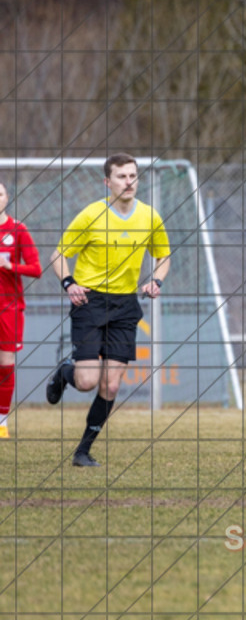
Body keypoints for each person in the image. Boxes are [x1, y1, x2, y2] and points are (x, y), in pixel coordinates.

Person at [46, 153, 171, 467]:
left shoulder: (150, 216)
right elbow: (58, 255)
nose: (129, 182)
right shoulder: (91, 215)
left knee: (112, 384)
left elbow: (164, 256)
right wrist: (69, 283)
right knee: (87, 381)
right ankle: (65, 372)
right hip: (89, 302)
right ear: (107, 182)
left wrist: (156, 280)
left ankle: (82, 452)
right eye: (121, 176)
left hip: (125, 304)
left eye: (133, 176)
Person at [0, 182, 42, 438]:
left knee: (5, 364)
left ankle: (1, 420)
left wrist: (9, 266)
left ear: (6, 197)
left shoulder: (18, 230)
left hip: (9, 308)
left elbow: (36, 268)